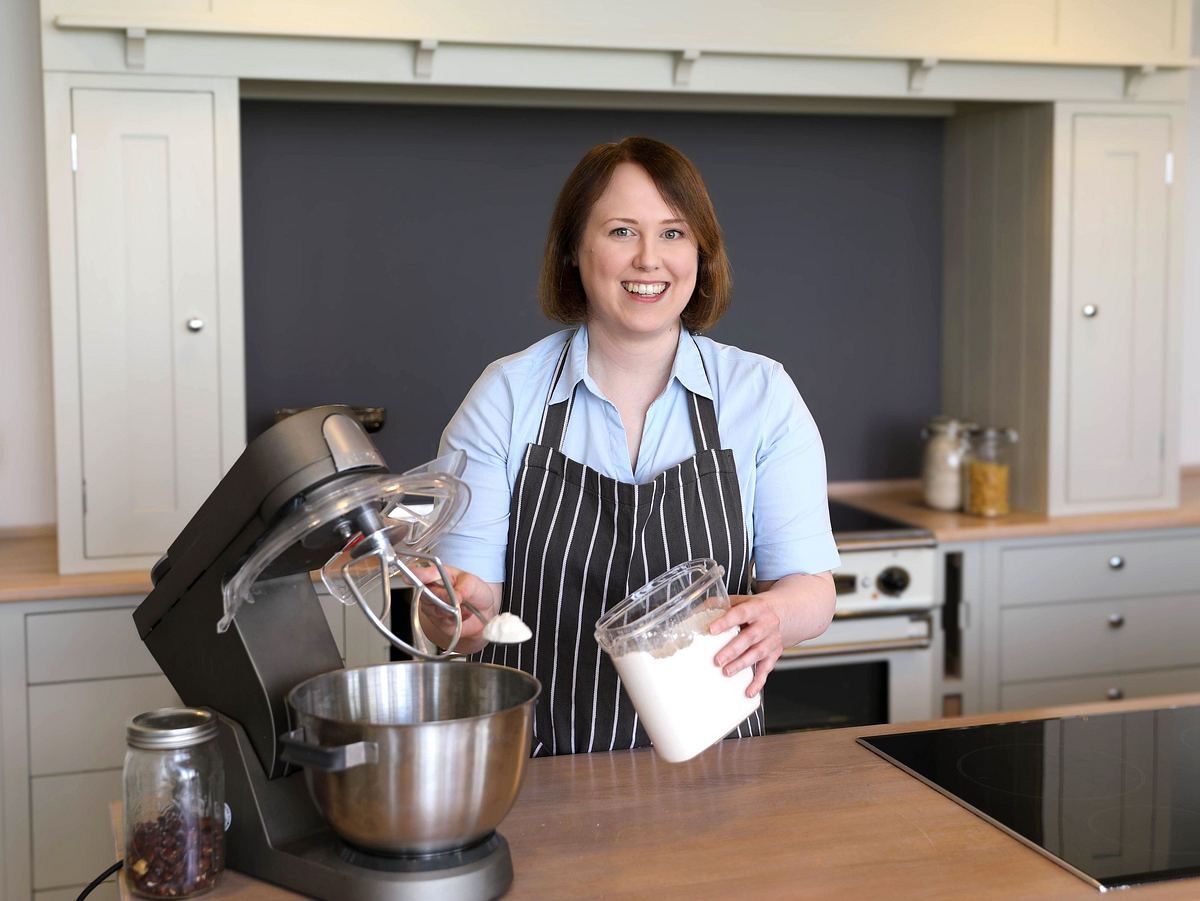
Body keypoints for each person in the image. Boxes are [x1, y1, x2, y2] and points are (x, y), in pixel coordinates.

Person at [418, 136, 839, 757]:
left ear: (701, 253)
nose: (649, 259)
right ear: (572, 251)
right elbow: (463, 616)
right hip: (537, 771)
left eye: (673, 233)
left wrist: (777, 617)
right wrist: (456, 615)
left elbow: (812, 589)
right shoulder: (506, 397)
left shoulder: (761, 394)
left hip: (720, 765)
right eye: (621, 231)